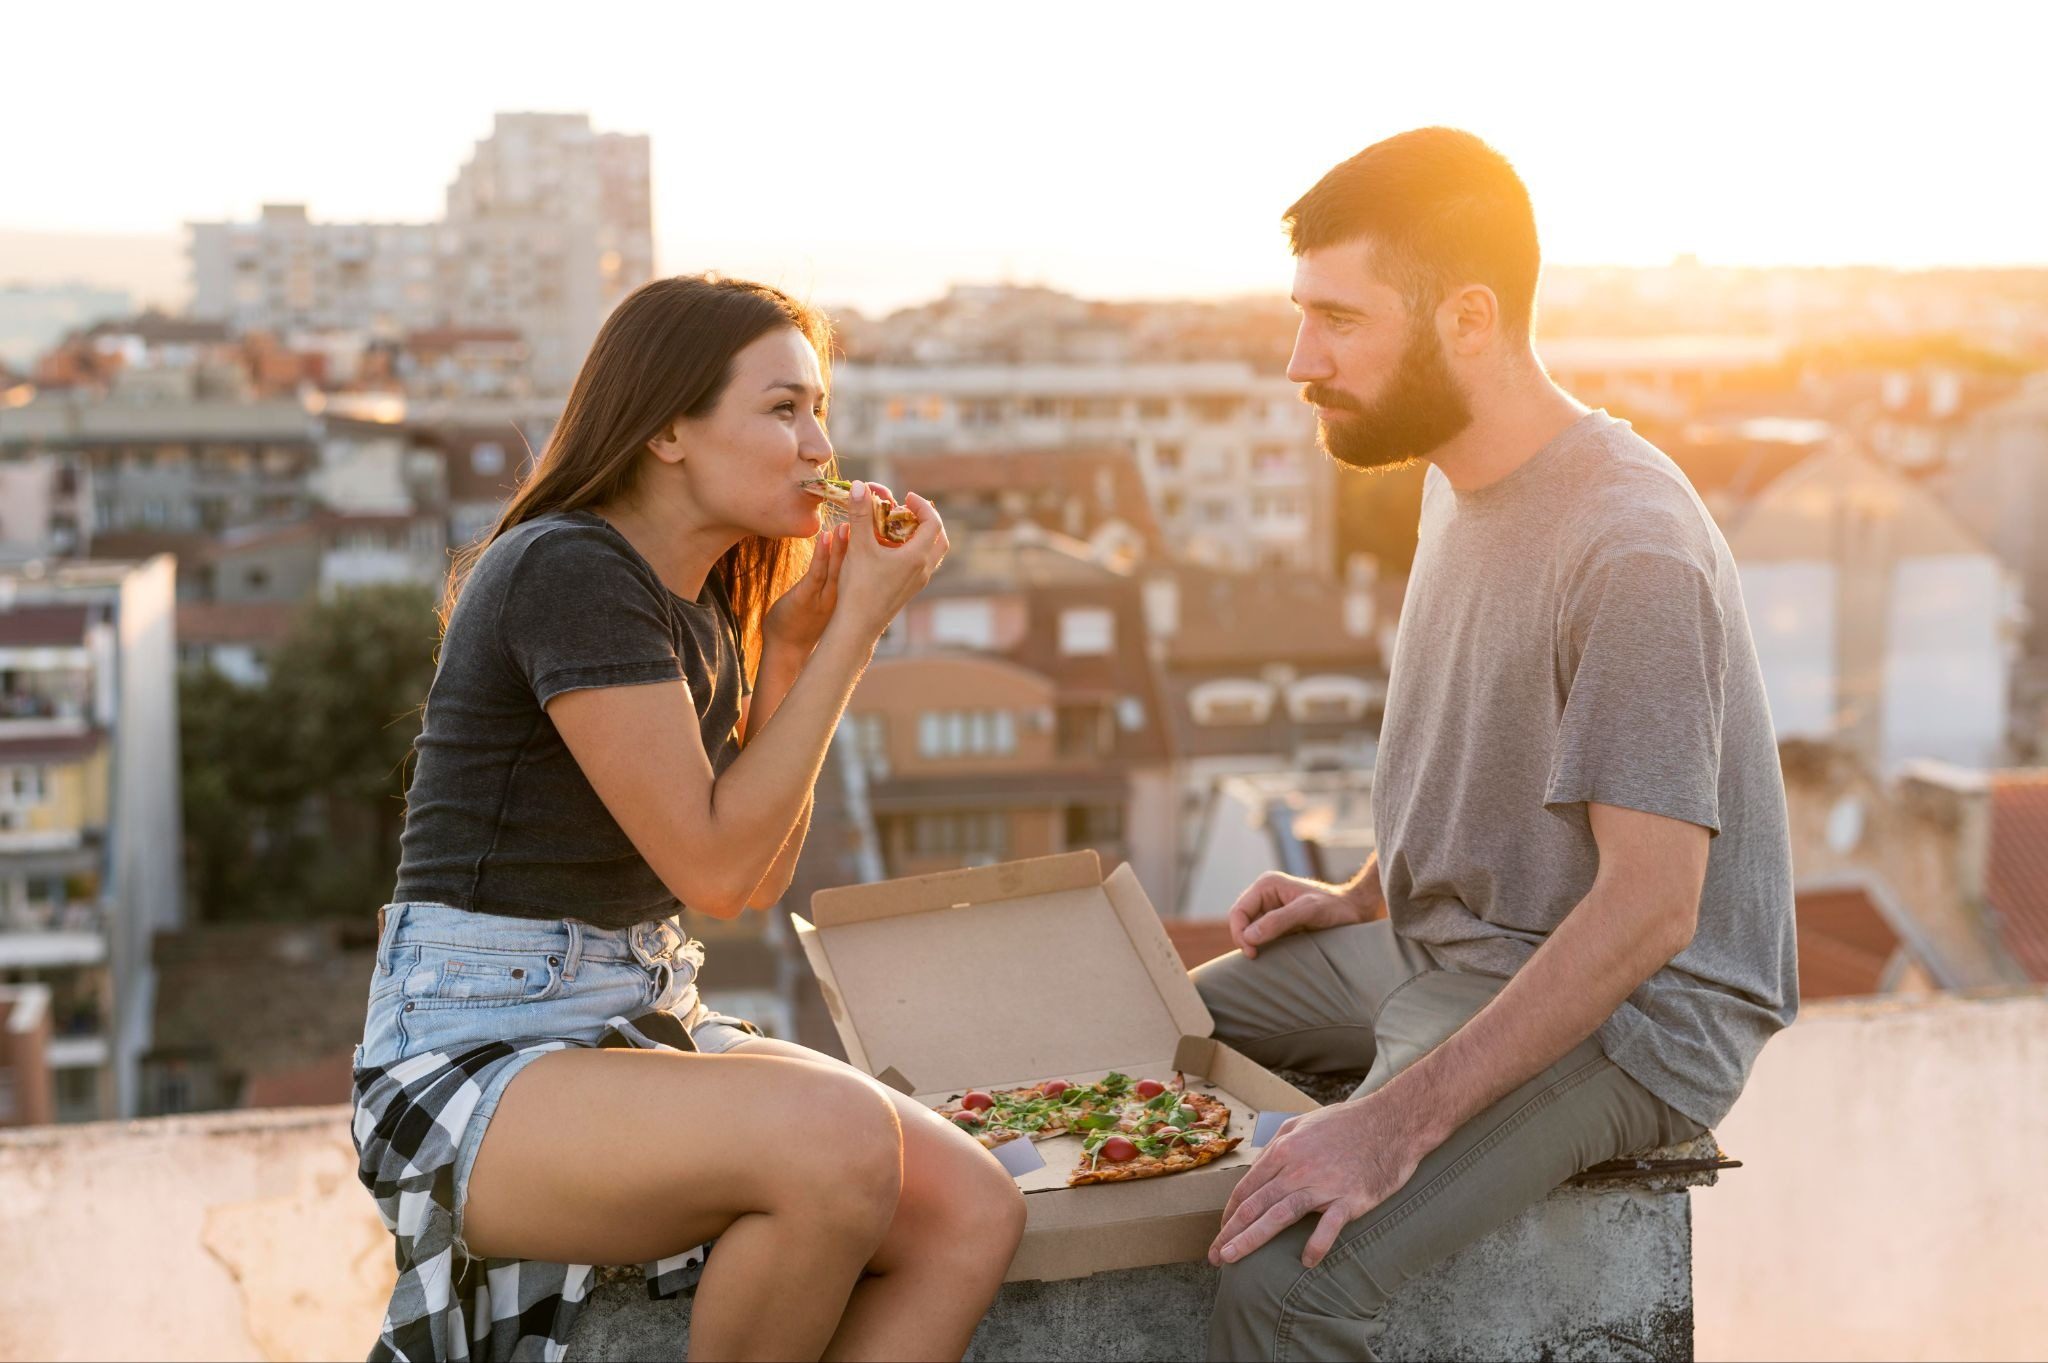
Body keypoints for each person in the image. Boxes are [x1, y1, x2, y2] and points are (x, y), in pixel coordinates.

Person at [1193, 128, 1797, 1361]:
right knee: (1139, 1038)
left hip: (1631, 1013)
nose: (1298, 359)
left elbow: (1648, 912)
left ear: (1467, 319)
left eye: (1337, 320)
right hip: (1445, 938)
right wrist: (1363, 887)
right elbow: (1501, 739)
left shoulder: (1628, 546)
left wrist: (1389, 1126)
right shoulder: (1452, 470)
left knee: (1283, 1282)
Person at [350, 275, 1025, 1363]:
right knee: (841, 1142)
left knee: (973, 1206)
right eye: (781, 408)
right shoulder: (568, 567)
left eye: (819, 410)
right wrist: (856, 629)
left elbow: (754, 881)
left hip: (629, 1009)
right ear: (666, 427)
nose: (818, 445)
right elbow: (714, 873)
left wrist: (796, 651)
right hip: (471, 1056)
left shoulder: (702, 612)